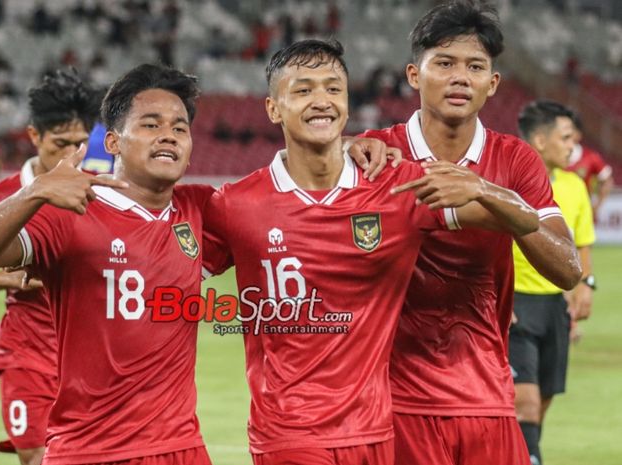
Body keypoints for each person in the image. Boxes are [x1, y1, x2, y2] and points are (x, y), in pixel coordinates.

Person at [202, 38, 538, 465]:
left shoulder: (396, 187)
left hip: (376, 434)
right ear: (273, 108)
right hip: (288, 435)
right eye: (303, 90)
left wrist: (483, 188)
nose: (321, 101)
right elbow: (159, 263)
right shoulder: (235, 204)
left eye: (333, 89)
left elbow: (525, 221)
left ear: (347, 102)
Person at [0, 63, 215, 465]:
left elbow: (294, 201)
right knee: (31, 454)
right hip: (87, 447)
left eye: (180, 127)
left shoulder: (204, 210)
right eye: (150, 124)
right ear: (112, 142)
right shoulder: (68, 211)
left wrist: (346, 155)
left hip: (180, 449)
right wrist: (35, 192)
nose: (169, 134)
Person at [358, 2, 582, 465]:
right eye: (444, 62)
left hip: (487, 395)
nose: (461, 77)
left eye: (475, 66)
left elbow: (567, 268)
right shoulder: (375, 154)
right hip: (394, 400)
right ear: (414, 75)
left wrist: (484, 192)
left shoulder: (516, 160)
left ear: (492, 84)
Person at [0, 68, 100, 465]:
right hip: (27, 351)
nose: (70, 155)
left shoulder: (98, 192)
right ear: (35, 136)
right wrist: (13, 277)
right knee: (36, 455)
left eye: (81, 143)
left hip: (86, 353)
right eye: (60, 143)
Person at [511, 100, 596, 465]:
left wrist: (585, 285)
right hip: (514, 303)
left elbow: (581, 244)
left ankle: (522, 454)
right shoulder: (506, 182)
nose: (572, 146)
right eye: (565, 138)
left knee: (541, 404)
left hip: (553, 307)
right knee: (524, 404)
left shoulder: (575, 186)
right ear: (540, 141)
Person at [566, 113, 613, 219]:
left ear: (578, 134)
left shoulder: (591, 157)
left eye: (570, 131)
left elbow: (607, 181)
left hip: (581, 213)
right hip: (557, 211)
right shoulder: (551, 157)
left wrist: (596, 206)